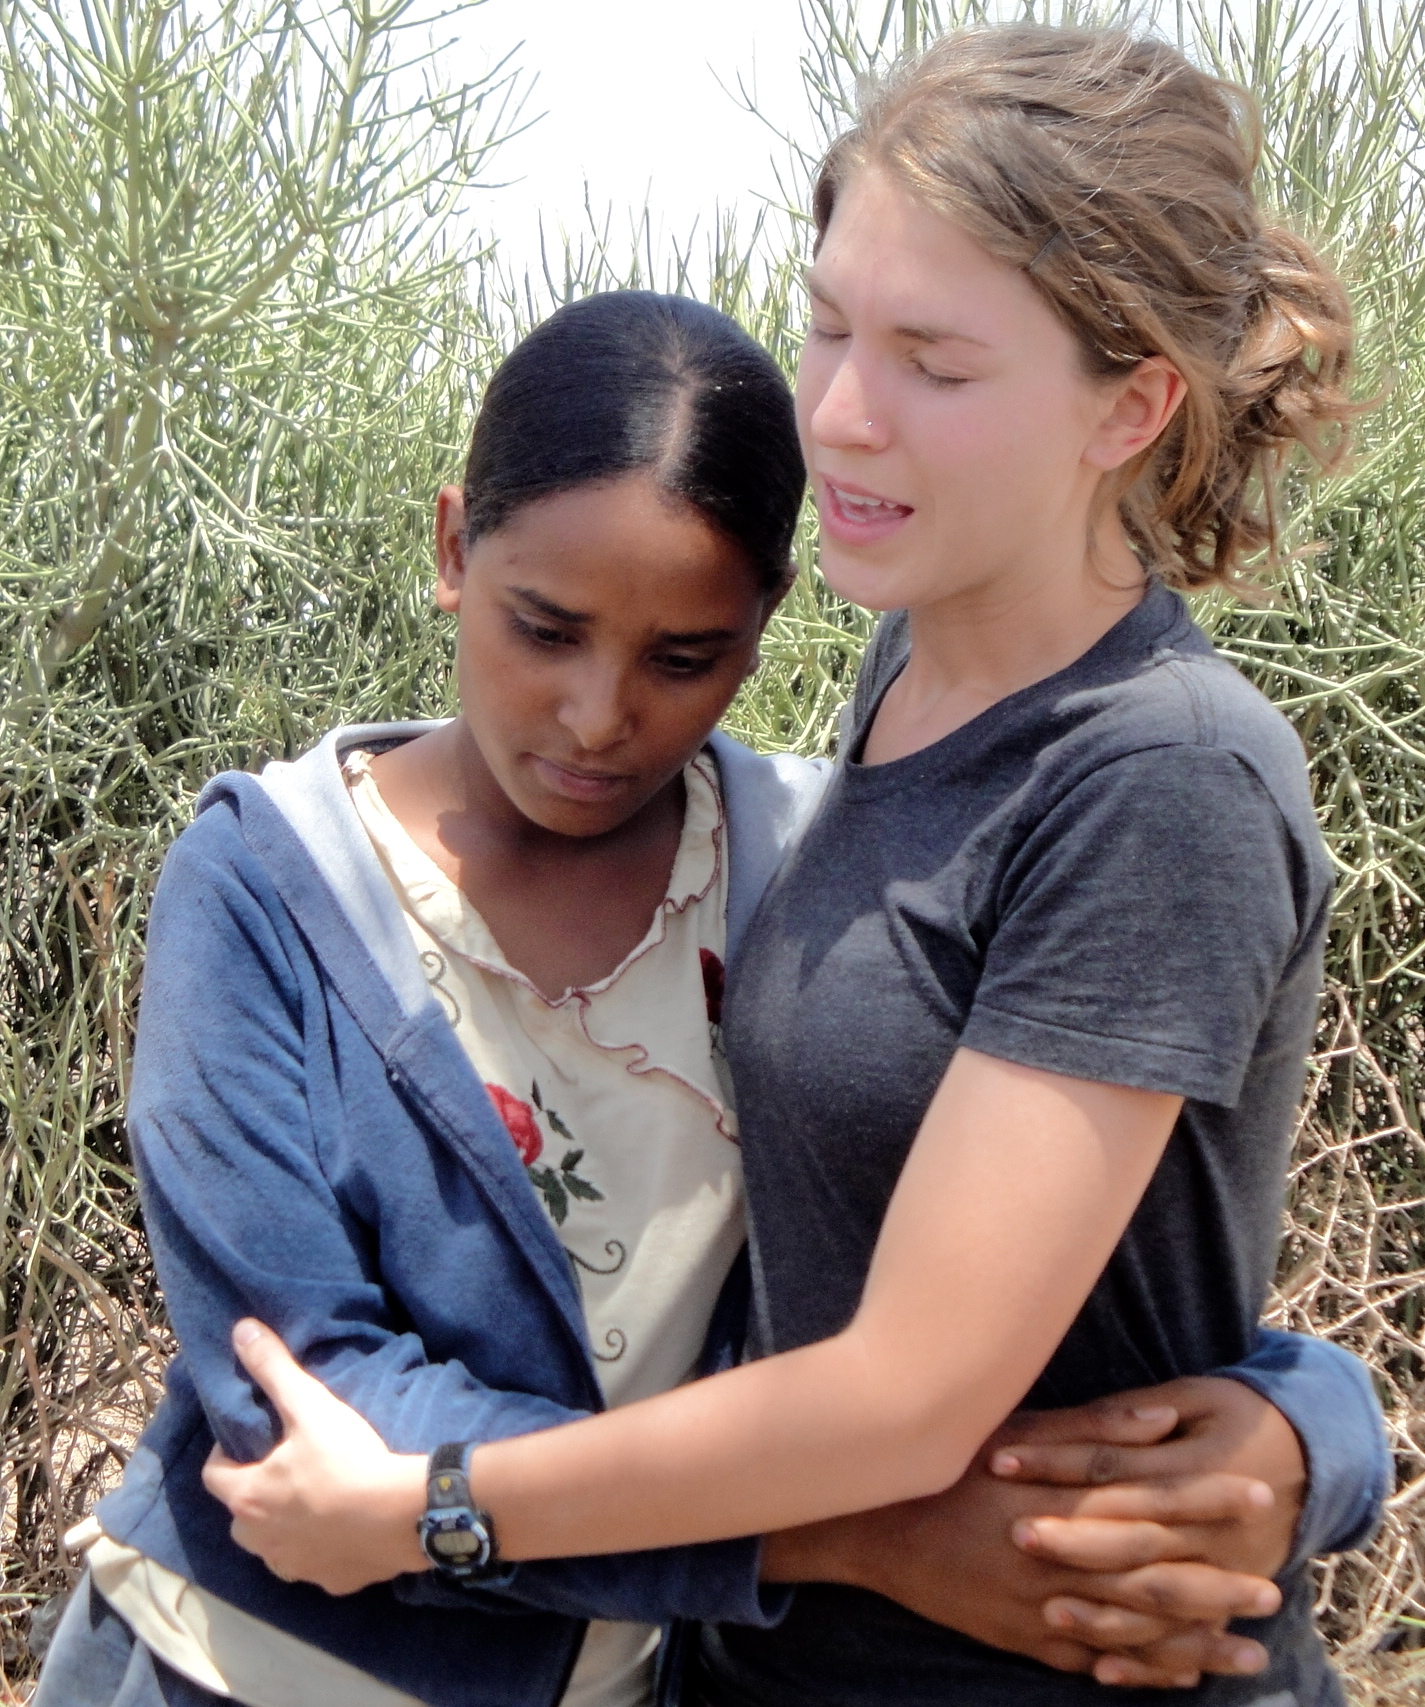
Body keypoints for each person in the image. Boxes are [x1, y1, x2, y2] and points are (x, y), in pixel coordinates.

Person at [191, 22, 1391, 1707]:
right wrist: (1321, 1416)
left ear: (1130, 405)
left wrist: (437, 1510)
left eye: (931, 362)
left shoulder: (1159, 771)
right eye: (828, 322)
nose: (836, 411)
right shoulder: (911, 671)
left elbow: (908, 1391)